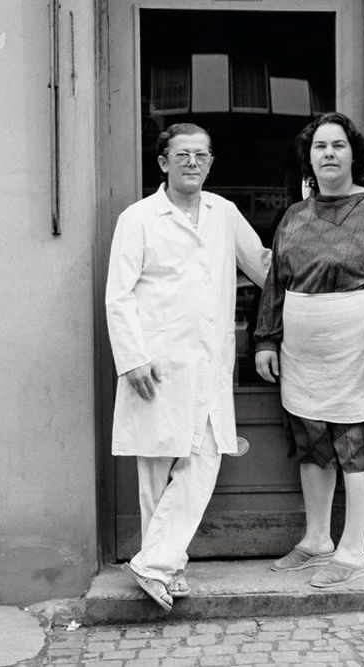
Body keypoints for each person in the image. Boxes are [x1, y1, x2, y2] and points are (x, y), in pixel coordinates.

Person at [106, 122, 270, 611]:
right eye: (183, 155)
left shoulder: (224, 213)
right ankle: (166, 566)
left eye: (201, 155)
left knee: (203, 460)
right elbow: (118, 294)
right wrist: (132, 358)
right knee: (157, 468)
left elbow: (264, 268)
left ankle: (154, 561)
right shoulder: (138, 218)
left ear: (211, 162)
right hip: (155, 362)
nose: (193, 163)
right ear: (164, 163)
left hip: (209, 361)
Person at [254, 112, 364, 588]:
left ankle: (352, 551)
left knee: (358, 444)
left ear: (353, 154)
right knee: (313, 446)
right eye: (320, 146)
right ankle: (317, 540)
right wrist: (266, 339)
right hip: (303, 355)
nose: (328, 153)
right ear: (308, 158)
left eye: (338, 145)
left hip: (359, 349)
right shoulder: (294, 216)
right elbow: (275, 283)